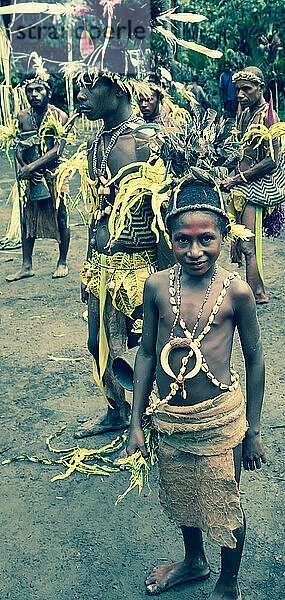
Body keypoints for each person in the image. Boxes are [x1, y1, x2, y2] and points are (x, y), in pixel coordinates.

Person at [126, 172, 266, 599]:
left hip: (220, 421)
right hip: (171, 418)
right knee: (184, 493)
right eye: (183, 240)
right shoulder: (155, 286)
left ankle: (228, 582)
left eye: (206, 238)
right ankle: (194, 561)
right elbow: (147, 353)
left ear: (224, 235)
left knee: (223, 503)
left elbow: (256, 358)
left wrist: (253, 430)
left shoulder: (236, 292)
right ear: (168, 238)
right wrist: (135, 422)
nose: (195, 250)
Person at [68, 46, 163, 439]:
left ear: (122, 87)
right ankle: (117, 410)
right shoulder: (100, 140)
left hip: (140, 268)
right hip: (101, 268)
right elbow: (100, 209)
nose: (80, 96)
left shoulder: (148, 140)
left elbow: (166, 211)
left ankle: (154, 416)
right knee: (97, 344)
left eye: (91, 85)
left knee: (146, 347)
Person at [220, 66, 279, 304]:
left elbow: (272, 161)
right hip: (240, 187)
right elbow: (240, 149)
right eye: (238, 89)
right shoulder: (244, 113)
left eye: (247, 89)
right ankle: (255, 291)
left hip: (255, 190)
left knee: (248, 246)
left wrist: (237, 179)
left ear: (261, 89)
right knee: (242, 243)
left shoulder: (268, 116)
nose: (241, 94)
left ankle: (257, 294)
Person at [6, 69, 70, 281]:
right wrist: (26, 167)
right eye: (30, 90)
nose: (34, 94)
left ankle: (62, 262)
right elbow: (18, 147)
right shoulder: (23, 116)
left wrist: (30, 168)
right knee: (27, 218)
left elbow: (57, 151)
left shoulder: (60, 116)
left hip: (55, 174)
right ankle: (26, 265)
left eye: (38, 89)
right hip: (31, 177)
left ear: (48, 92)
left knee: (61, 215)